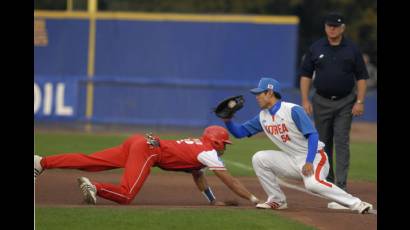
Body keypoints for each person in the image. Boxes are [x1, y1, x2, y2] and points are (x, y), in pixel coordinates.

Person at [219, 77, 373, 214]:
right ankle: (277, 200)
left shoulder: (292, 110)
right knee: (259, 158)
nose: (257, 97)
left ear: (270, 93)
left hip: (315, 157)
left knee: (313, 185)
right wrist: (228, 120)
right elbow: (239, 133)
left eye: (260, 93)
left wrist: (308, 161)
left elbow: (313, 135)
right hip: (292, 160)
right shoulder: (263, 116)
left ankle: (357, 203)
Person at [34, 125, 260, 206]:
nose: (225, 148)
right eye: (224, 144)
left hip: (141, 141)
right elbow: (230, 180)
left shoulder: (200, 147)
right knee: (126, 195)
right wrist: (253, 199)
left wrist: (212, 201)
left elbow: (198, 175)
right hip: (148, 150)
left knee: (90, 160)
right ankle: (95, 187)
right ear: (218, 141)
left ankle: (41, 162)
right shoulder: (208, 152)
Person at [299, 12, 369, 191]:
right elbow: (306, 75)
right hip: (321, 101)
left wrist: (360, 101)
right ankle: (328, 181)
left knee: (341, 141)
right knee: (323, 142)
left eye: (336, 26)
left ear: (342, 28)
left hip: (345, 101)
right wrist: (305, 100)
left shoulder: (352, 49)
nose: (332, 29)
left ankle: (341, 184)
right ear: (325, 27)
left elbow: (361, 77)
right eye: (329, 26)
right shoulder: (316, 48)